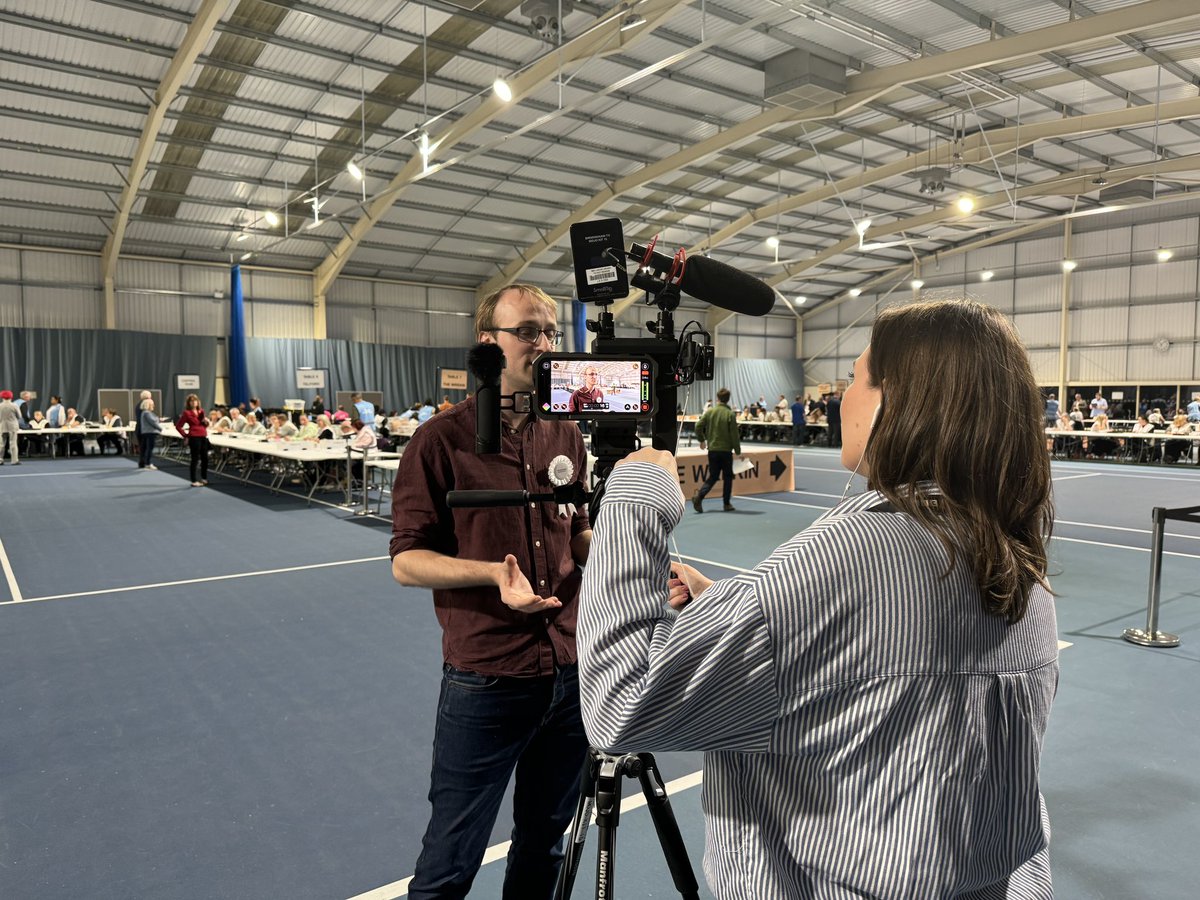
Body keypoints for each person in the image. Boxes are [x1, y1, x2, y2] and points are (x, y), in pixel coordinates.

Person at [578, 299, 1058, 899]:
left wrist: (634, 499)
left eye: (856, 379)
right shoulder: (1020, 566)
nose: (842, 399)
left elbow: (619, 706)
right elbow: (878, 675)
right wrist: (729, 606)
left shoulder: (848, 553)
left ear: (893, 402)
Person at [389, 282, 591, 900]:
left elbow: (577, 534)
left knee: (544, 844)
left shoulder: (566, 433)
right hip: (488, 678)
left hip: (569, 674)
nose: (544, 344)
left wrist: (629, 557)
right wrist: (492, 574)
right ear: (488, 343)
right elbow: (407, 561)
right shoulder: (439, 440)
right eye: (527, 331)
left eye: (550, 331)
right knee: (450, 863)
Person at [691, 387, 740, 513]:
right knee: (728, 477)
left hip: (712, 450)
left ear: (718, 398)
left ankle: (699, 496)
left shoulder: (710, 412)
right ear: (728, 399)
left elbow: (698, 426)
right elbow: (734, 435)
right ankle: (726, 504)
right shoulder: (730, 414)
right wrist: (738, 451)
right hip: (726, 451)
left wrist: (702, 440)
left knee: (713, 476)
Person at [175, 393, 209, 486]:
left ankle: (204, 478)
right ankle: (194, 480)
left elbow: (204, 425)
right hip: (194, 437)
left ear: (198, 402)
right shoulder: (187, 413)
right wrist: (185, 436)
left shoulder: (201, 411)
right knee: (195, 459)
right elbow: (178, 426)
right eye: (192, 401)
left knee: (205, 458)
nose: (194, 402)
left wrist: (206, 422)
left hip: (203, 436)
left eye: (195, 400)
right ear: (189, 403)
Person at [138, 399, 161, 470]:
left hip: (146, 432)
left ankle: (145, 463)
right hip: (150, 432)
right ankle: (148, 463)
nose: (153, 406)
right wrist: (160, 428)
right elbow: (153, 422)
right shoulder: (147, 413)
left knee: (146, 448)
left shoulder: (144, 413)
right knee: (149, 449)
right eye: (152, 404)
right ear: (148, 405)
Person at [0, 390, 21, 465]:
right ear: (11, 397)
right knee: (13, 443)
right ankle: (14, 460)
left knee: (1, 444)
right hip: (12, 426)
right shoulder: (14, 405)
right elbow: (19, 416)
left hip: (2, 426)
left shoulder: (0, 405)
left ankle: (0, 459)